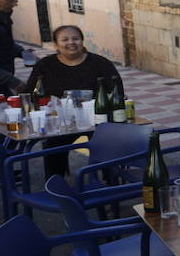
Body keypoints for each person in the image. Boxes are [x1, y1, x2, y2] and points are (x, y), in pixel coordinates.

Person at [24, 25, 124, 179]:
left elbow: (116, 90)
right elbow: (32, 91)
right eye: (65, 39)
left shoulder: (99, 63)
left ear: (82, 42)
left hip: (97, 120)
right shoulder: (46, 65)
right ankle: (56, 182)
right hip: (61, 122)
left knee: (106, 143)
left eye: (76, 38)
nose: (71, 42)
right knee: (54, 146)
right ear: (56, 44)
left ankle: (109, 183)